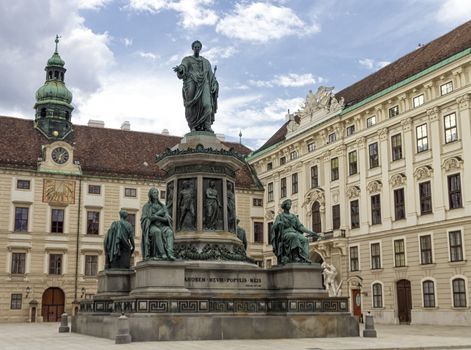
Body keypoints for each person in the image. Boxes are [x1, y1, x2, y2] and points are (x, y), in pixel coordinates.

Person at [173, 40, 219, 132]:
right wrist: (180, 69)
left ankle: (207, 126)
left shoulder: (206, 62)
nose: (197, 48)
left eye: (198, 47)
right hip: (192, 82)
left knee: (207, 105)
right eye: (195, 47)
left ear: (200, 48)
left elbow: (211, 76)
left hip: (204, 84)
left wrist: (214, 84)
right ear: (192, 48)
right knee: (191, 106)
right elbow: (183, 66)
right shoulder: (187, 59)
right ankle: (193, 125)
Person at [271, 199, 324, 264]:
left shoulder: (293, 216)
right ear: (284, 206)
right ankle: (295, 255)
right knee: (294, 236)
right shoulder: (280, 216)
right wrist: (279, 223)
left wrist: (311, 232)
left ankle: (304, 258)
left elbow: (300, 227)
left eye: (290, 204)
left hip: (294, 232)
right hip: (285, 233)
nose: (290, 205)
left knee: (304, 239)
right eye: (288, 204)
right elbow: (274, 227)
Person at [141, 187, 176, 261]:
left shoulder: (163, 206)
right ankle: (162, 254)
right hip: (152, 226)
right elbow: (145, 219)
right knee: (157, 232)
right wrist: (154, 217)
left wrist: (157, 217)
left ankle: (170, 253)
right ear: (150, 194)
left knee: (169, 232)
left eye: (157, 192)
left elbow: (167, 219)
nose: (156, 194)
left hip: (162, 225)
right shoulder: (147, 206)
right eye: (154, 192)